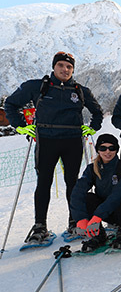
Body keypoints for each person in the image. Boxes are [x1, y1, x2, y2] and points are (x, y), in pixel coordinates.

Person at [5, 51, 103, 243]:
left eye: (69, 67)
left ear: (73, 70)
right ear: (54, 66)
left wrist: (92, 128)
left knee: (73, 183)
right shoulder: (38, 86)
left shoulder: (80, 90)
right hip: (47, 140)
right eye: (61, 65)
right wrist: (21, 127)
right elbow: (10, 104)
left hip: (73, 140)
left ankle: (75, 222)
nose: (65, 70)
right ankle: (40, 225)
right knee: (44, 183)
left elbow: (97, 112)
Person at [70, 134, 121, 252]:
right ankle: (98, 234)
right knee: (88, 197)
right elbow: (78, 192)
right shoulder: (92, 168)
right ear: (98, 150)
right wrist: (80, 218)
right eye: (103, 148)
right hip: (105, 213)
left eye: (112, 148)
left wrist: (98, 216)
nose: (108, 152)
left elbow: (120, 192)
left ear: (117, 150)